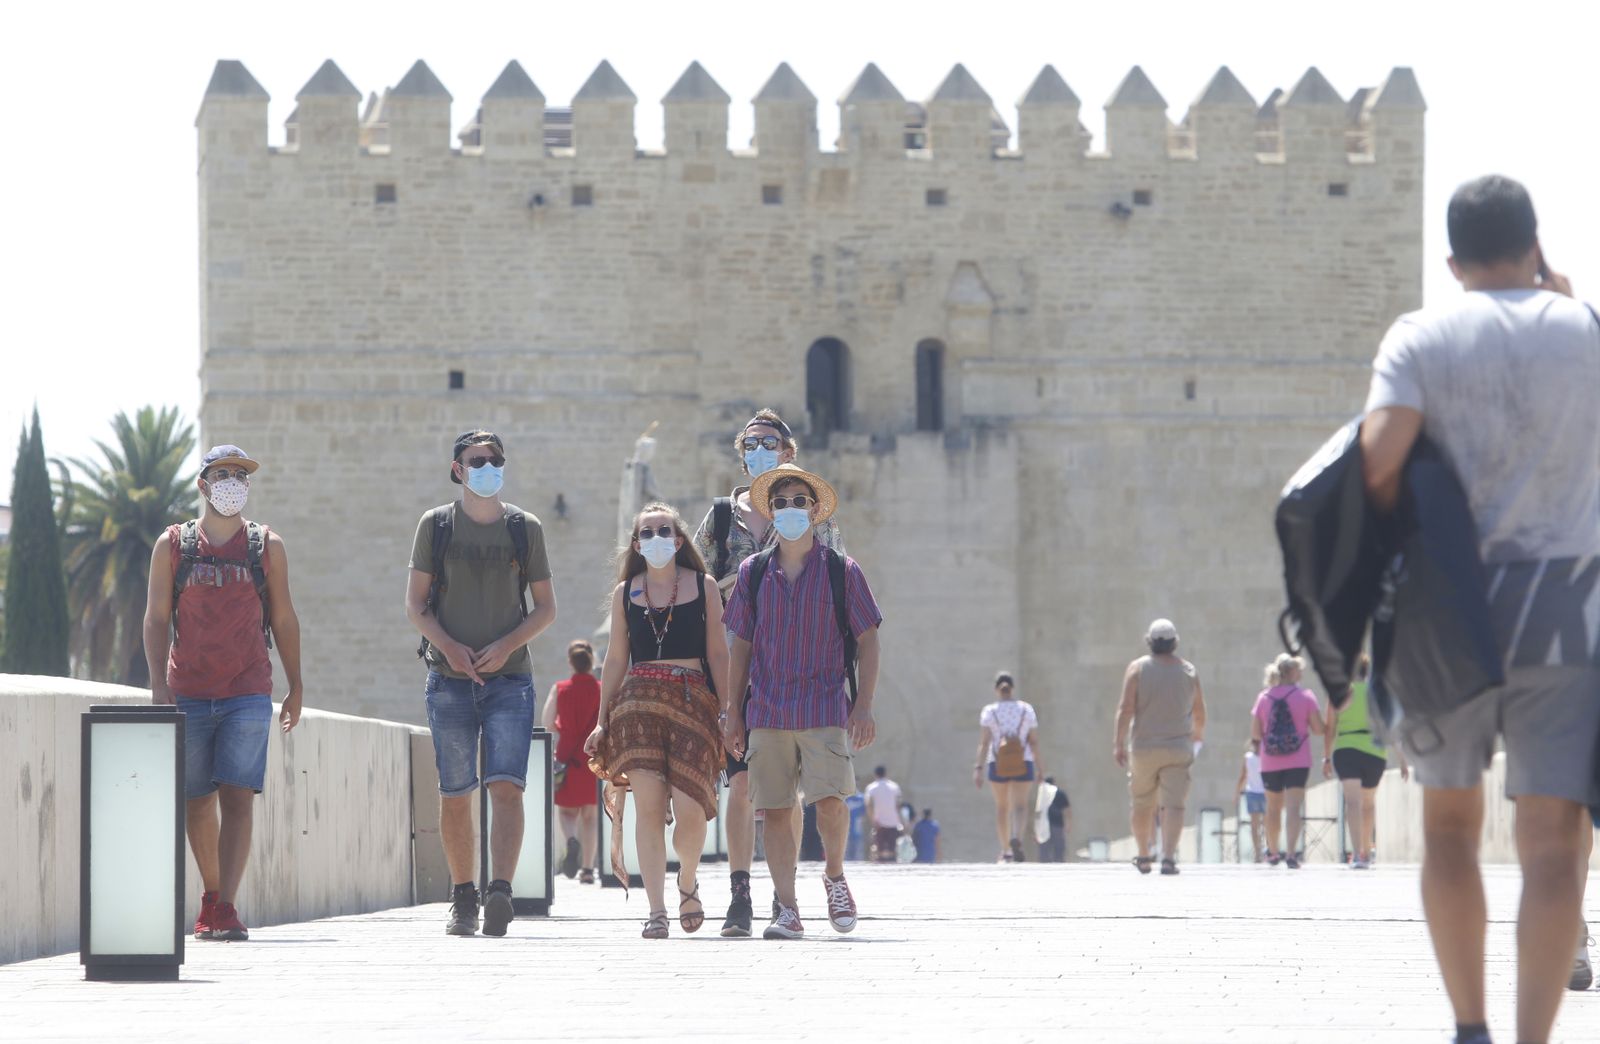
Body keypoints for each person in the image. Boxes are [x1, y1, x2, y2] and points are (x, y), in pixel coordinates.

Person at [1360, 175, 1600, 1044]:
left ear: (1452, 260)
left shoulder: (1420, 335)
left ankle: (1470, 1027)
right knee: (1551, 841)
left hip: (1445, 615)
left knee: (1450, 825)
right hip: (1569, 609)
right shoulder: (1585, 331)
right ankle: (1534, 1038)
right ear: (1536, 246)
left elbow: (1378, 462)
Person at [691, 409, 844, 937]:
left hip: (794, 662)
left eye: (769, 442)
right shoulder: (718, 518)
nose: (759, 450)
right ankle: (740, 891)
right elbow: (695, 585)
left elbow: (835, 579)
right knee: (741, 785)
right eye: (750, 443)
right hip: (733, 659)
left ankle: (789, 895)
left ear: (788, 451)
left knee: (787, 789)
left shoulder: (809, 510)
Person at [142, 445, 303, 943]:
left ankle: (227, 905)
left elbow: (283, 617)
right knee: (195, 801)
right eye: (223, 473)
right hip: (188, 690)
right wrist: (157, 685)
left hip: (248, 692)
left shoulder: (265, 546)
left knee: (238, 797)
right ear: (203, 485)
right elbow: (155, 619)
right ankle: (210, 896)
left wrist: (297, 686)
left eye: (241, 474)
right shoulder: (174, 545)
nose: (233, 481)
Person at [406, 430, 557, 937]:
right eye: (477, 460)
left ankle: (500, 892)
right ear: (458, 469)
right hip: (447, 681)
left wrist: (506, 645)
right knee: (455, 792)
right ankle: (463, 897)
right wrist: (449, 647)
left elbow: (546, 608)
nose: (488, 467)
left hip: (510, 681)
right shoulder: (436, 525)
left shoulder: (524, 528)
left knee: (506, 788)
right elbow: (415, 605)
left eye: (495, 460)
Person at [722, 464, 882, 940]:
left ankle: (834, 876)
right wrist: (733, 711)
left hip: (824, 706)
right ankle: (787, 908)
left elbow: (869, 638)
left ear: (815, 510)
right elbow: (742, 646)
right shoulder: (752, 573)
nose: (790, 509)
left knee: (831, 802)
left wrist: (865, 705)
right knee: (773, 809)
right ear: (771, 511)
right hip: (768, 708)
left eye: (798, 502)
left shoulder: (841, 571)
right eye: (781, 502)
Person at [584, 502, 729, 938]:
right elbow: (614, 658)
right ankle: (656, 909)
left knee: (690, 812)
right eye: (646, 533)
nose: (655, 538)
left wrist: (727, 710)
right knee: (647, 807)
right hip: (638, 706)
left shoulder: (704, 587)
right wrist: (600, 720)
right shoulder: (625, 591)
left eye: (664, 530)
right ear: (635, 543)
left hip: (692, 702)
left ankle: (687, 879)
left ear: (679, 539)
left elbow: (719, 652)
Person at [1113, 620, 1206, 875]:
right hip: (1178, 747)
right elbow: (1199, 713)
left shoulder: (1137, 669)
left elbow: (1126, 708)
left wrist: (1118, 743)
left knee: (1142, 803)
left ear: (1149, 641)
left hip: (1143, 747)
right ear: (1174, 642)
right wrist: (1196, 739)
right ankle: (1167, 858)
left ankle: (1143, 855)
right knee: (1174, 805)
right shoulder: (1189, 671)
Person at [1327, 654, 1408, 869]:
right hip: (1374, 752)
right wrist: (1401, 759)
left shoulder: (1339, 693)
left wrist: (1326, 757)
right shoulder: (1377, 694)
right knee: (1368, 803)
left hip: (1345, 748)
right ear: (1367, 671)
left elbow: (1330, 729)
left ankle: (1356, 853)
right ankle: (1366, 852)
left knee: (1352, 802)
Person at [1250, 653, 1326, 870]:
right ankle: (1291, 854)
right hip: (1298, 760)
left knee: (1272, 808)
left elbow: (1255, 734)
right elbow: (1319, 729)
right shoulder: (1306, 696)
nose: (1302, 674)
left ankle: (1273, 853)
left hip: (1270, 760)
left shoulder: (1264, 698)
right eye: (1300, 671)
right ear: (1293, 673)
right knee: (1293, 807)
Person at [543, 639, 601, 884]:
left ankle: (570, 840)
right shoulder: (601, 688)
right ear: (592, 661)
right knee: (590, 815)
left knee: (566, 812)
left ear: (570, 662)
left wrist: (563, 728)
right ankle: (587, 870)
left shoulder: (560, 688)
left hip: (567, 757)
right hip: (594, 756)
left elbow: (547, 722)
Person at [974, 672, 1043, 863]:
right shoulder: (1026, 710)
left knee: (1002, 807)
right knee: (1020, 805)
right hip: (1024, 760)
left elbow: (985, 743)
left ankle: (1005, 850)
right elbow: (1034, 742)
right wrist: (1040, 768)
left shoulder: (990, 711)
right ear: (1012, 688)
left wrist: (978, 768)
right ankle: (1017, 838)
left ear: (997, 689)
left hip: (997, 762)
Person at [1234, 733, 1268, 864]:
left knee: (1260, 825)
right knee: (1260, 825)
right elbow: (1243, 775)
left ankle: (1262, 851)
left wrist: (1237, 793)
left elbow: (1242, 776)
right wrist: (1237, 792)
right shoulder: (1257, 757)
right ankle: (1262, 851)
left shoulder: (1250, 757)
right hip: (1258, 792)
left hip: (1257, 793)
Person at [863, 766, 908, 862]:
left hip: (879, 823)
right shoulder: (894, 787)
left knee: (879, 850)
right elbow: (899, 805)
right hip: (893, 822)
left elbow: (869, 805)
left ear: (875, 774)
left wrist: (873, 820)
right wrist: (902, 822)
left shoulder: (871, 788)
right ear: (886, 774)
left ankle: (880, 869)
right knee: (893, 850)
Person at [1038, 777, 1072, 863]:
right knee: (1058, 847)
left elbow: (1038, 812)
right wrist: (1068, 824)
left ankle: (1047, 864)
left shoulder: (1043, 794)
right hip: (1056, 825)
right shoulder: (1059, 793)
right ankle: (1058, 862)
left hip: (1047, 825)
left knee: (1045, 849)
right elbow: (1067, 811)